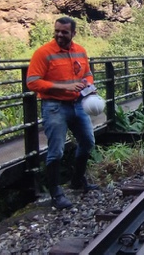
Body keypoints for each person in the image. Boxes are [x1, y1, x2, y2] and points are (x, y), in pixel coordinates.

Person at [26, 16, 99, 210]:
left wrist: (89, 84)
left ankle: (77, 180)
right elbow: (32, 81)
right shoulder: (43, 53)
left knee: (88, 142)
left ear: (73, 33)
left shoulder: (81, 51)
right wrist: (61, 87)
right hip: (54, 106)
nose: (59, 34)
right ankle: (56, 192)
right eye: (57, 30)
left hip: (78, 104)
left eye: (64, 32)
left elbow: (87, 73)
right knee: (56, 150)